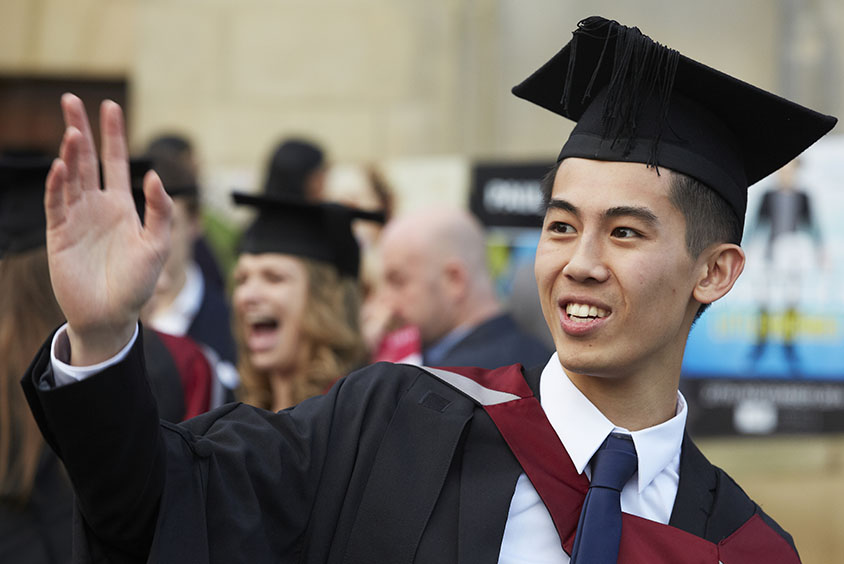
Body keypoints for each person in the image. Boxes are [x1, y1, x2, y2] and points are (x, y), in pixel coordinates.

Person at [21, 16, 837, 564]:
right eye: (559, 226)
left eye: (625, 233)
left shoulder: (747, 547)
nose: (578, 262)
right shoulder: (393, 420)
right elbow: (160, 503)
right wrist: (99, 339)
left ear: (715, 271)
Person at [229, 193, 371, 410]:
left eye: (274, 278)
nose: (247, 295)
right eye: (242, 279)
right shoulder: (237, 411)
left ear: (325, 299)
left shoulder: (354, 416)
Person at [378, 206, 552, 369]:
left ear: (454, 280)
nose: (386, 301)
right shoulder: (537, 360)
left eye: (398, 281)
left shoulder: (455, 380)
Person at [139, 152, 239, 374]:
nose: (153, 240)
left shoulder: (231, 324)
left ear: (195, 222)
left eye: (167, 223)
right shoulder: (112, 324)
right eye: (142, 223)